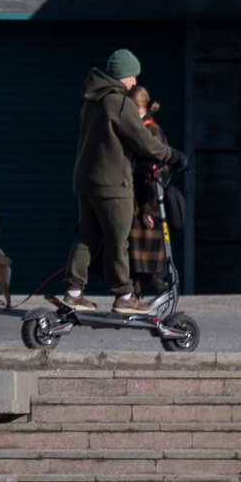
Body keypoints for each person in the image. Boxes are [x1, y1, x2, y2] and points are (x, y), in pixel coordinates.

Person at [61, 49, 183, 315]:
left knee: (88, 237)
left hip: (86, 181)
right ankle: (125, 297)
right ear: (122, 75)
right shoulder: (119, 102)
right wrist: (171, 155)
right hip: (114, 184)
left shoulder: (92, 99)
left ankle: (73, 292)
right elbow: (141, 139)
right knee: (118, 241)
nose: (135, 83)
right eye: (133, 76)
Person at [127, 86, 173, 296]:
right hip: (140, 204)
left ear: (137, 106)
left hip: (145, 206)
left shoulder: (150, 132)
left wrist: (147, 209)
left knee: (144, 266)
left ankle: (164, 298)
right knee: (135, 266)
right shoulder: (146, 129)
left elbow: (153, 176)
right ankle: (134, 301)